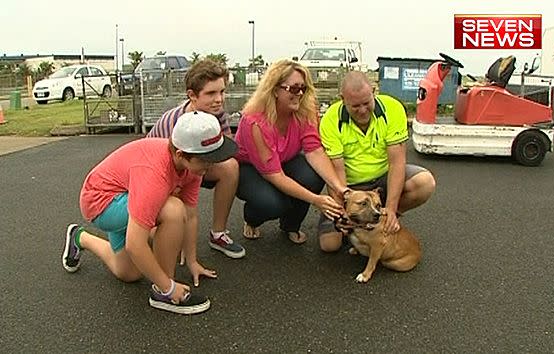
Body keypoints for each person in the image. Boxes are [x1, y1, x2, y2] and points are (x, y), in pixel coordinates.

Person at [62, 111, 237, 315]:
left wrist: (192, 260)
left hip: (128, 193)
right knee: (172, 210)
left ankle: (80, 238)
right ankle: (163, 294)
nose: (211, 165)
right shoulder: (155, 174)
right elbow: (135, 244)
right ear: (180, 154)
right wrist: (169, 287)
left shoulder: (192, 167)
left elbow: (191, 215)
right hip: (101, 203)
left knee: (129, 273)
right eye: (206, 160)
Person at [318, 71, 437, 252]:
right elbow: (337, 173)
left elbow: (397, 163)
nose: (363, 110)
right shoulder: (330, 120)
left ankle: (382, 220)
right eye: (355, 106)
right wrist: (343, 213)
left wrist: (390, 208)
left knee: (424, 182)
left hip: (382, 180)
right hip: (351, 186)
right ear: (342, 99)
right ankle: (358, 224)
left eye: (366, 103)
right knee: (330, 245)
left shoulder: (393, 109)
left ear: (374, 91)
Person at [234, 59, 346, 244]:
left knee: (313, 177)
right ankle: (252, 219)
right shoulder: (254, 121)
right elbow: (275, 175)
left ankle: (290, 225)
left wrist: (338, 186)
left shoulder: (306, 110)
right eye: (294, 89)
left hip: (284, 160)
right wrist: (316, 200)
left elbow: (315, 151)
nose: (300, 94)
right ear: (275, 90)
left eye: (304, 88)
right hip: (250, 167)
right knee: (273, 204)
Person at [147, 59, 244, 259]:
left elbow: (225, 151)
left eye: (222, 92)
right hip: (156, 172)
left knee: (230, 167)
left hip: (192, 165)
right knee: (163, 226)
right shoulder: (175, 123)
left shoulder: (218, 115)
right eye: (211, 93)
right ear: (192, 95)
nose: (219, 99)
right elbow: (168, 167)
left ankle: (218, 234)